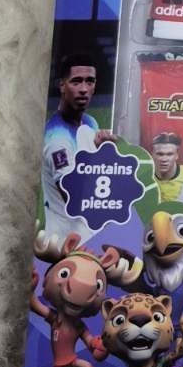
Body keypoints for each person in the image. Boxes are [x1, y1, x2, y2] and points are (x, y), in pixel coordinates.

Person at [41, 50, 114, 239]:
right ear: (62, 85)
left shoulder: (90, 123)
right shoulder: (57, 139)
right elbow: (73, 197)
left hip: (90, 237)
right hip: (65, 243)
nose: (83, 89)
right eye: (76, 81)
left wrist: (102, 150)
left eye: (90, 81)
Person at [149, 131, 183, 203]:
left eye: (169, 154)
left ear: (176, 155)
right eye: (160, 154)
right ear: (152, 154)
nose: (164, 159)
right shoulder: (144, 177)